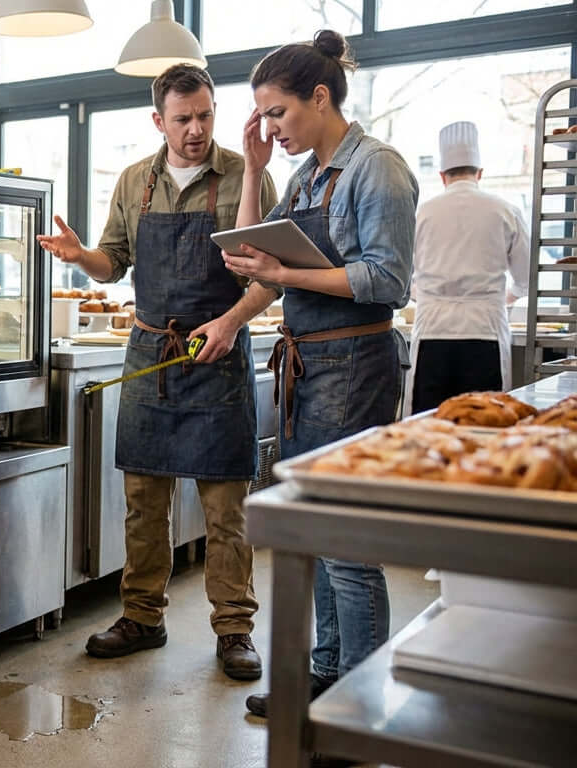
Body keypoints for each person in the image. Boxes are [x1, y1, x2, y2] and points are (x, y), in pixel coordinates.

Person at [38, 63, 280, 681]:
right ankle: (142, 616)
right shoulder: (133, 181)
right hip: (150, 356)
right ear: (158, 121)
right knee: (143, 504)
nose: (196, 130)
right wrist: (78, 256)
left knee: (227, 505)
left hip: (217, 355)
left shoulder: (247, 177)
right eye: (182, 119)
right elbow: (111, 264)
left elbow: (267, 280)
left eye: (204, 115)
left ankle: (233, 630)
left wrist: (228, 324)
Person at [224, 31, 418, 728]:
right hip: (309, 367)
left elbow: (387, 279)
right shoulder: (307, 177)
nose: (270, 128)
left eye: (276, 114)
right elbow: (246, 257)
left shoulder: (378, 169)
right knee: (315, 533)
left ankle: (360, 703)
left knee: (346, 540)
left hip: (355, 364)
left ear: (320, 96)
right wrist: (251, 171)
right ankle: (329, 672)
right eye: (262, 119)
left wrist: (286, 275)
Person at [406, 121, 529, 413]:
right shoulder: (506, 210)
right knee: (485, 422)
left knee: (428, 426)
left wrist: (428, 296)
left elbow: (403, 279)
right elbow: (525, 280)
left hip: (432, 331)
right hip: (484, 328)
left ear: (442, 176)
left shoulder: (422, 213)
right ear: (480, 173)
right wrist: (500, 299)